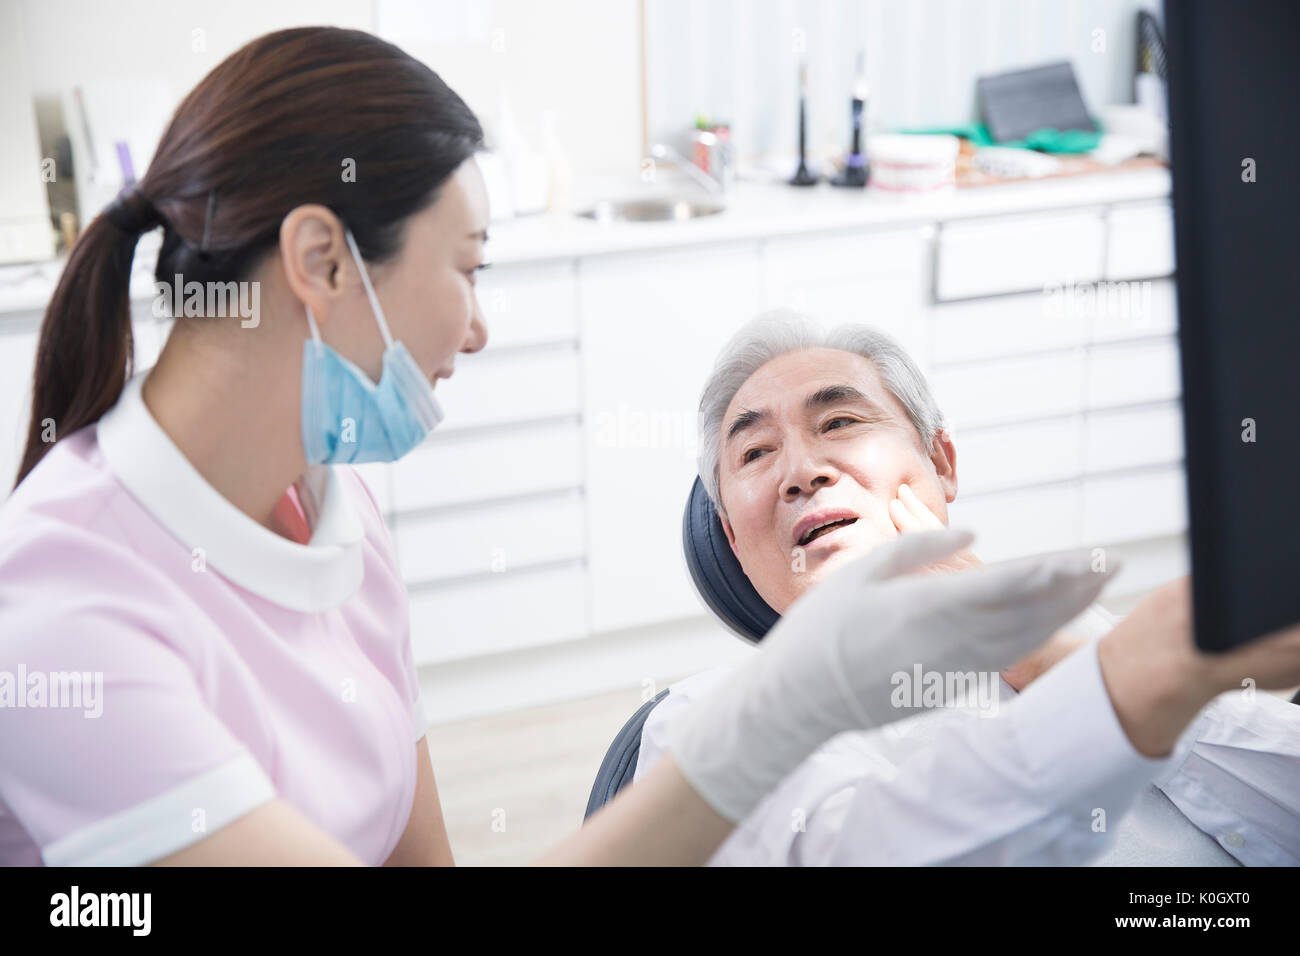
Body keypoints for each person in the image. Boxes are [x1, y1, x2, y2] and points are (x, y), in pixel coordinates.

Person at [0, 28, 1108, 867]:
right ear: (322, 261)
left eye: (838, 420)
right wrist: (785, 707)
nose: (476, 329)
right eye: (469, 267)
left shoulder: (333, 508)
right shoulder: (62, 615)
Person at [634, 310, 1300, 866]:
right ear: (730, 540)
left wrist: (1056, 656)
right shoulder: (701, 718)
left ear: (941, 464)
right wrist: (1113, 689)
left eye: (839, 422)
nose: (802, 471)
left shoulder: (1074, 629)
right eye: (754, 453)